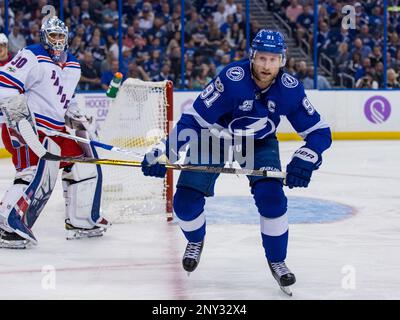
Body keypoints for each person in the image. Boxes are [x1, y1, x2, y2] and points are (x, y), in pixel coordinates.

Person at [141, 29, 332, 292]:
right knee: (184, 202)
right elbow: (194, 120)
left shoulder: (290, 90)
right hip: (214, 137)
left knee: (272, 198)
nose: (266, 66)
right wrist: (166, 151)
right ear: (252, 56)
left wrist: (308, 156)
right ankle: (196, 239)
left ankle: (278, 261)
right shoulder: (232, 79)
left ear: (282, 60)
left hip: (259, 142)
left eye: (273, 60)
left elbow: (319, 132)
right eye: (262, 58)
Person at [0, 16, 110, 249]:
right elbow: (5, 85)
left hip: (55, 130)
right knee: (32, 172)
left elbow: (66, 102)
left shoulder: (73, 65)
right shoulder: (31, 55)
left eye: (61, 36)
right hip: (26, 128)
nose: (57, 40)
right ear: (44, 36)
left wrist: (80, 118)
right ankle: (5, 224)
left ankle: (81, 220)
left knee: (83, 162)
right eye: (53, 35)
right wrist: (20, 121)